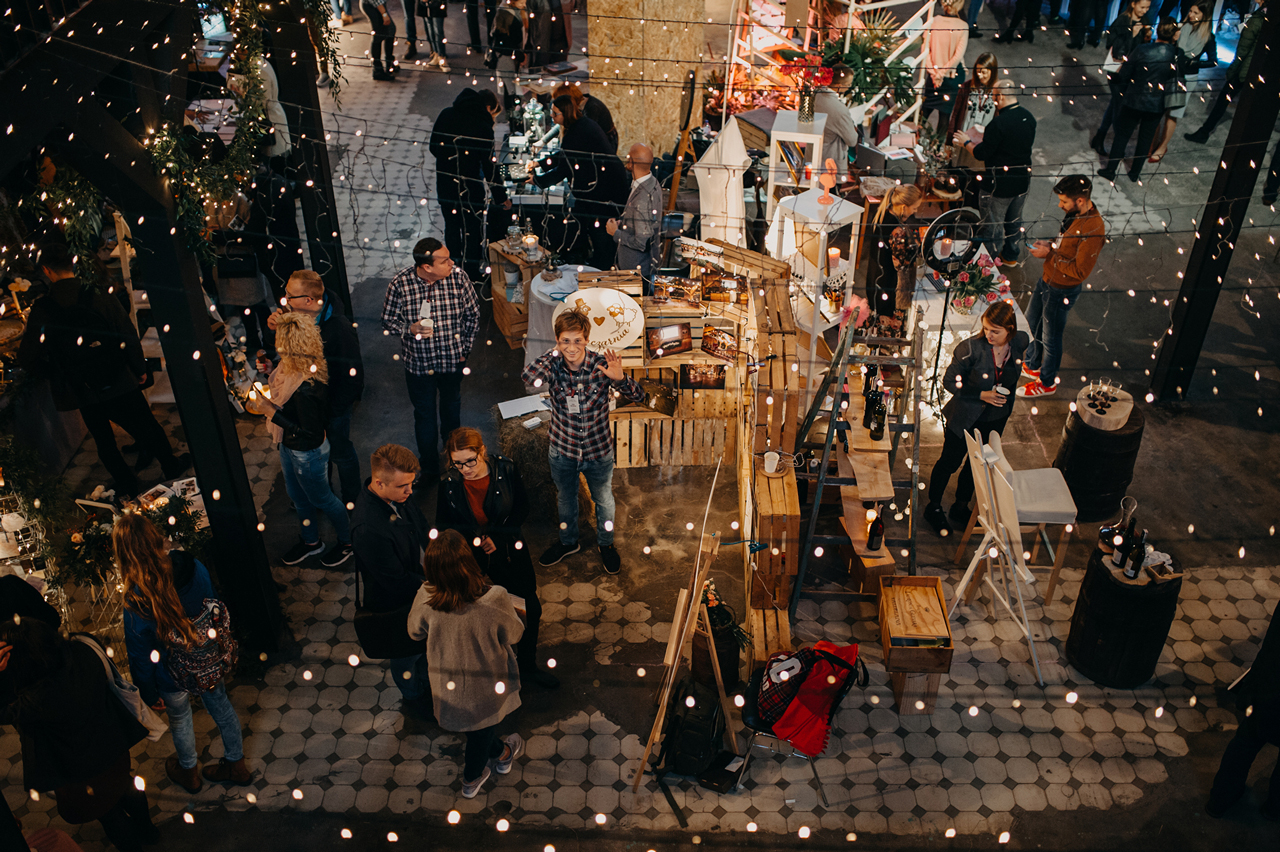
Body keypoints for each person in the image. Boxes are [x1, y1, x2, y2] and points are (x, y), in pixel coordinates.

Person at [18, 244, 191, 498]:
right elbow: (126, 333)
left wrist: (59, 374)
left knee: (103, 440)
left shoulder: (43, 309)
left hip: (82, 387)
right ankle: (170, 465)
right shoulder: (97, 293)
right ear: (74, 263)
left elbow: (27, 357)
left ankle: (127, 484)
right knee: (146, 424)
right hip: (117, 375)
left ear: (46, 270)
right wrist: (139, 369)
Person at [115, 513, 250, 793]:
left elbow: (141, 655)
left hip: (170, 673)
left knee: (180, 718)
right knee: (222, 707)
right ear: (154, 536)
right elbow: (210, 603)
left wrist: (149, 694)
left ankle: (189, 773)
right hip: (207, 660)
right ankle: (236, 765)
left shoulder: (138, 599)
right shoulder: (192, 566)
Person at [0, 618, 158, 851]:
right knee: (127, 786)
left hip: (82, 769)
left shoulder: (34, 700)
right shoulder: (83, 648)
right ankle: (149, 833)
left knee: (109, 813)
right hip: (113, 742)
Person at [520, 310, 645, 575]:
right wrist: (554, 353)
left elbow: (639, 395)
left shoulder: (601, 365)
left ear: (587, 339)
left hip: (597, 450)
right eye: (566, 341)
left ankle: (606, 544)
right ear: (557, 340)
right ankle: (568, 542)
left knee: (604, 500)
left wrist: (620, 379)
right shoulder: (552, 364)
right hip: (563, 449)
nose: (572, 347)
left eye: (577, 340)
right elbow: (529, 380)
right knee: (566, 499)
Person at [407, 529, 526, 799]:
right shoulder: (493, 598)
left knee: (478, 728)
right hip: (486, 682)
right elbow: (515, 633)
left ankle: (503, 752)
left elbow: (414, 631)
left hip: (446, 680)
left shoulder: (426, 596)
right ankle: (472, 778)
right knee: (481, 730)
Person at [438, 427, 560, 688]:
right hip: (473, 561)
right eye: (457, 463)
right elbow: (444, 525)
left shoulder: (506, 469)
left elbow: (521, 508)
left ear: (482, 451)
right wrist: (472, 542)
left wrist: (499, 537)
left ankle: (527, 666)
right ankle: (494, 667)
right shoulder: (449, 484)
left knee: (529, 608)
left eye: (470, 461)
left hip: (509, 552)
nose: (465, 469)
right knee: (481, 615)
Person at [252, 312, 353, 566]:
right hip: (289, 446)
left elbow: (309, 432)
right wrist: (271, 372)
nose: (276, 346)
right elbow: (285, 393)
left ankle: (348, 542)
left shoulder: (307, 386)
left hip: (307, 453)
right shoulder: (293, 367)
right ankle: (311, 542)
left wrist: (270, 411)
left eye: (280, 342)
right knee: (297, 497)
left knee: (323, 499)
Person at [924, 301, 1030, 534]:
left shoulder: (1020, 341)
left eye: (995, 331)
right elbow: (949, 382)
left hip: (996, 419)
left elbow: (1027, 347)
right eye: (986, 329)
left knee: (977, 466)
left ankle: (960, 506)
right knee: (950, 462)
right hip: (965, 417)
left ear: (1010, 330)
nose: (989, 335)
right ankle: (933, 507)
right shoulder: (970, 349)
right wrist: (982, 394)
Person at [265, 271, 365, 508]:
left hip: (332, 405)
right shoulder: (295, 314)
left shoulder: (338, 328)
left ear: (309, 300)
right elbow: (287, 351)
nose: (285, 301)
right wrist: (275, 330)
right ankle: (323, 495)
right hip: (308, 402)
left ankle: (354, 501)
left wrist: (334, 408)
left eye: (290, 296)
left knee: (340, 452)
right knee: (321, 454)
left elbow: (353, 376)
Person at [381, 238, 480, 475]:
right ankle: (429, 467)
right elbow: (388, 321)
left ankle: (454, 460)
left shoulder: (459, 278)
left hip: (452, 362)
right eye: (445, 260)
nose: (452, 263)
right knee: (424, 416)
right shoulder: (400, 284)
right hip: (418, 365)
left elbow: (473, 316)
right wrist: (409, 329)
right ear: (427, 267)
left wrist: (464, 350)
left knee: (451, 411)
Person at [351, 444, 434, 718]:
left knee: (421, 648)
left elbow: (419, 525)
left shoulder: (397, 495)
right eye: (403, 487)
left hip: (415, 581)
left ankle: (425, 682)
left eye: (412, 484)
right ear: (379, 483)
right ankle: (415, 697)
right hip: (394, 602)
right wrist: (435, 584)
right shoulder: (368, 528)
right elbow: (396, 581)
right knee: (405, 654)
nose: (410, 492)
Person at [1018, 175, 1106, 399]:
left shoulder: (1093, 229)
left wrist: (1050, 255)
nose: (1060, 205)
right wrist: (1051, 246)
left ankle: (1047, 383)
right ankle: (1032, 363)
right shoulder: (1075, 215)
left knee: (1051, 338)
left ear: (1080, 200)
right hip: (1047, 278)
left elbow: (1079, 271)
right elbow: (1066, 245)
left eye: (1064, 201)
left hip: (1061, 289)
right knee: (1031, 321)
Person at [528, 95, 630, 270]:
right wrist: (540, 163)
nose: (552, 117)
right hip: (607, 185)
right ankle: (595, 260)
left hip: (605, 191)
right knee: (593, 225)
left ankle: (602, 267)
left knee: (601, 231)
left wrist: (536, 180)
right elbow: (565, 155)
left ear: (565, 114)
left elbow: (563, 169)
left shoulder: (576, 133)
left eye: (555, 114)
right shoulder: (582, 125)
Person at [1206, 602, 1279, 820]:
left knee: (1245, 743)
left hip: (1271, 688)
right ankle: (1274, 809)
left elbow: (1272, 646)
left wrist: (1253, 684)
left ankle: (1220, 800)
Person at [429, 88, 511, 284]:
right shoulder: (482, 126)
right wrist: (501, 196)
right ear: (488, 107)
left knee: (452, 227)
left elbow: (434, 148)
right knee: (472, 231)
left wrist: (452, 158)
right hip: (471, 189)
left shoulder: (446, 114)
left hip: (447, 185)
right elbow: (490, 167)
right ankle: (471, 274)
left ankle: (452, 268)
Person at [952, 78, 1036, 267]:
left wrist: (966, 142)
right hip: (1022, 181)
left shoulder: (998, 124)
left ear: (999, 97)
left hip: (998, 185)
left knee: (992, 226)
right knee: (1014, 221)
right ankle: (1011, 255)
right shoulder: (1028, 117)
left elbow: (982, 154)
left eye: (994, 97)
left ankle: (988, 263)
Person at [1098, 18, 1186, 183]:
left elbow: (1125, 75)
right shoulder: (1177, 54)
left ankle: (1110, 170)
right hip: (1157, 104)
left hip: (1134, 100)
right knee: (1145, 138)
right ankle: (1134, 173)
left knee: (1122, 135)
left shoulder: (1142, 49)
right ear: (1173, 34)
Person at [1184, 0, 1266, 144]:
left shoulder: (1258, 18)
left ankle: (1205, 132)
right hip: (1256, 70)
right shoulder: (1265, 16)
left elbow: (1243, 49)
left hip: (1244, 70)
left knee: (1224, 100)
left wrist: (1233, 69)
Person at [1148, 3, 1216, 162]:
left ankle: (1162, 147)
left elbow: (1213, 61)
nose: (1191, 15)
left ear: (1204, 16)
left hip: (1188, 78)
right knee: (1159, 109)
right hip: (1171, 73)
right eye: (1190, 11)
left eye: (1195, 12)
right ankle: (1152, 143)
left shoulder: (1208, 37)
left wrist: (1193, 63)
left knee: (1173, 114)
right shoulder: (1181, 28)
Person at [1091, 0, 1153, 155]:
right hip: (1117, 69)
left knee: (1115, 104)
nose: (1145, 11)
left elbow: (1142, 49)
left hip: (1132, 71)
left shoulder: (1145, 21)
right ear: (1133, 4)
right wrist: (1131, 35)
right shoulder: (1121, 21)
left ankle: (1100, 137)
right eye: (1142, 7)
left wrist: (1147, 38)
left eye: (1147, 8)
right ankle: (1110, 143)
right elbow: (1113, 46)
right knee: (1119, 106)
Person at [606, 143, 664, 290]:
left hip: (635, 271)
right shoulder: (653, 182)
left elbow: (641, 243)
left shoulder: (642, 198)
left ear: (631, 162)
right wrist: (625, 221)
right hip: (645, 268)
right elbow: (645, 222)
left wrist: (615, 233)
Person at [864, 184, 923, 318]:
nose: (915, 211)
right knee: (886, 319)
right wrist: (918, 248)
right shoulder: (897, 231)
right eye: (914, 208)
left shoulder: (882, 213)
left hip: (874, 276)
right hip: (888, 284)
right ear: (903, 207)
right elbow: (902, 263)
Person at [946, 53, 999, 172]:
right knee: (957, 175)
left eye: (984, 72)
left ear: (992, 71)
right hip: (962, 142)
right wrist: (949, 143)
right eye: (978, 71)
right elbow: (955, 115)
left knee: (975, 178)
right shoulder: (966, 87)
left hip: (981, 146)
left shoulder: (997, 91)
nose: (980, 75)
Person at [921, 0, 969, 124]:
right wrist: (941, 74)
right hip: (951, 77)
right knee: (944, 115)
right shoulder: (963, 26)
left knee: (924, 112)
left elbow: (925, 51)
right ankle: (937, 143)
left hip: (933, 78)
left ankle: (913, 138)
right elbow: (957, 57)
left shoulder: (933, 21)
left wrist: (934, 73)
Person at [814, 64, 863, 180]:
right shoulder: (838, 109)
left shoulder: (816, 94)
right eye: (848, 85)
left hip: (814, 154)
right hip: (830, 161)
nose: (850, 87)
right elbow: (852, 140)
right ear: (839, 86)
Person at [490, 0, 528, 112]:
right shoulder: (504, 14)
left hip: (513, 56)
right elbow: (502, 40)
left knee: (514, 89)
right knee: (511, 90)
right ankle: (511, 117)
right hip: (506, 58)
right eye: (522, 2)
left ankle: (513, 114)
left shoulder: (516, 11)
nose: (524, 5)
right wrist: (519, 54)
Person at [360, 1, 397, 80]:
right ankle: (378, 70)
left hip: (376, 4)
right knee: (379, 35)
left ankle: (389, 63)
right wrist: (384, 14)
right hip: (372, 5)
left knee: (389, 30)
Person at [420, 0, 450, 72]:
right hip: (425, 4)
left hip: (438, 3)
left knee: (438, 31)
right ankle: (436, 54)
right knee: (430, 30)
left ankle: (441, 56)